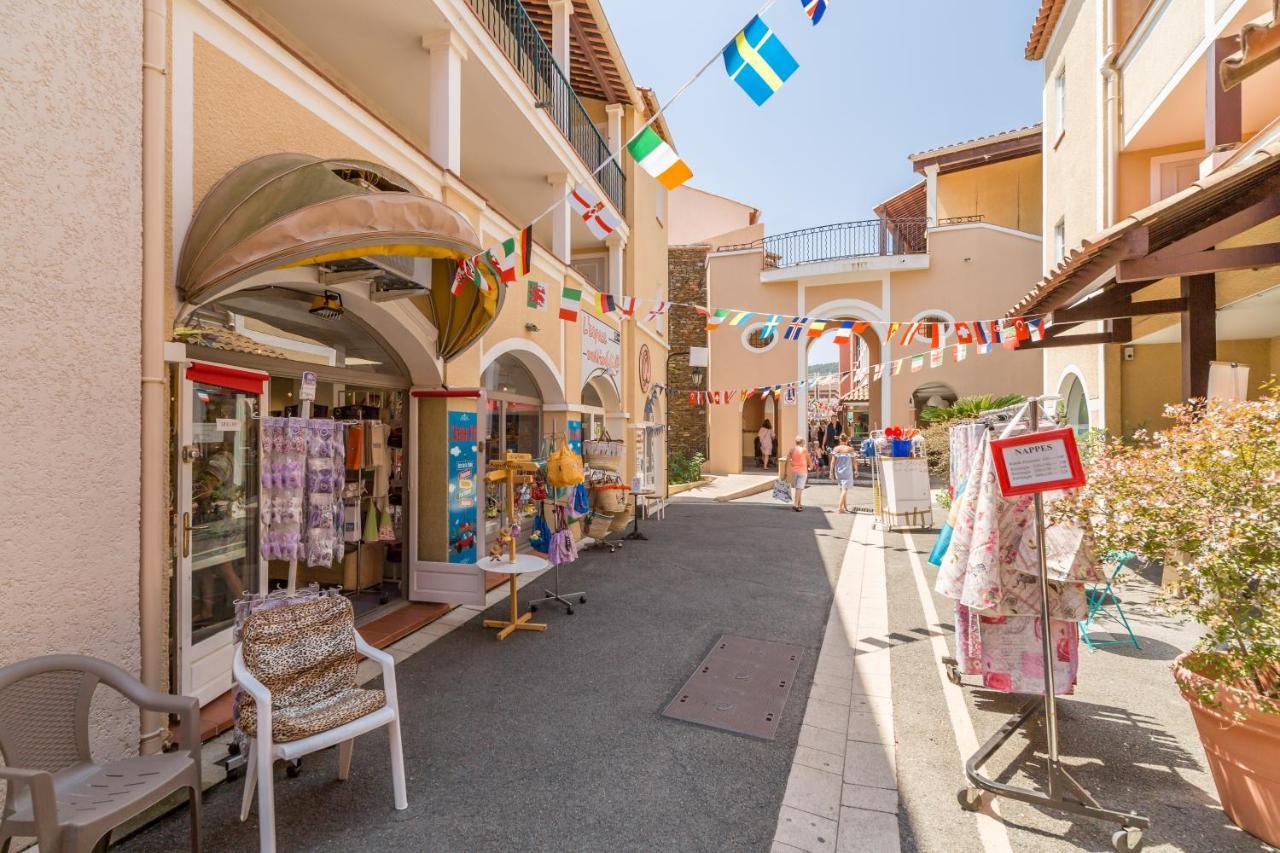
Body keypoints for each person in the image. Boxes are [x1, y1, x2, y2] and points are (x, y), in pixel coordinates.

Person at [829, 434, 857, 513]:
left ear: (840, 440)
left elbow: (833, 462)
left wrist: (831, 472)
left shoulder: (836, 448)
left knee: (842, 489)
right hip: (847, 471)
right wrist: (856, 470)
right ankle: (840, 508)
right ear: (847, 440)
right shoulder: (850, 449)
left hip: (838, 471)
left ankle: (845, 507)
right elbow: (854, 461)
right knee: (844, 489)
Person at [785, 436, 814, 512]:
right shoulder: (804, 450)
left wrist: (785, 472)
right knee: (799, 488)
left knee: (798, 488)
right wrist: (811, 467)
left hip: (794, 471)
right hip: (803, 471)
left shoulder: (792, 450)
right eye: (803, 442)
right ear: (802, 442)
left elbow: (787, 461)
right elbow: (809, 460)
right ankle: (795, 504)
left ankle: (799, 504)